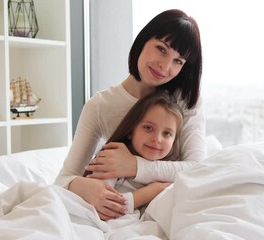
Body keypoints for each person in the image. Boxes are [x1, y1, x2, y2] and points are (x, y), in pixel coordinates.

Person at [54, 8, 206, 220]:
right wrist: (85, 187)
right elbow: (63, 179)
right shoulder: (101, 105)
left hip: (173, 201)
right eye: (161, 49)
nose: (165, 66)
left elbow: (198, 168)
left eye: (178, 61)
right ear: (143, 41)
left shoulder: (184, 100)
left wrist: (135, 166)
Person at [83, 91, 183, 215]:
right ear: (131, 130)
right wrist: (153, 191)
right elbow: (103, 208)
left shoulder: (170, 171)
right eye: (148, 128)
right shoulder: (112, 157)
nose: (157, 139)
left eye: (167, 133)